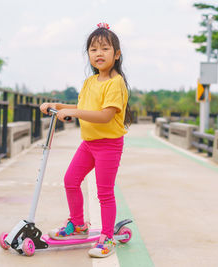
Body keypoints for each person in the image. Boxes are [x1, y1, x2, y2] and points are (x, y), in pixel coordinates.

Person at [40, 22, 132, 258]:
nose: (99, 54)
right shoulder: (90, 82)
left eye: (105, 49)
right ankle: (79, 225)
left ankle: (107, 238)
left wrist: (75, 113)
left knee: (104, 193)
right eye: (93, 49)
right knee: (70, 180)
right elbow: (81, 107)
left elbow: (105, 115)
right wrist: (56, 106)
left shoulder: (115, 83)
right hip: (89, 144)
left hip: (109, 145)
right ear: (88, 55)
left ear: (117, 54)